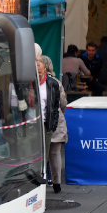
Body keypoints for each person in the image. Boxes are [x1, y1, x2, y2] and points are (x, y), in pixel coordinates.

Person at [41, 56, 68, 193]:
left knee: (41, 154)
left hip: (42, 121)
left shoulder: (35, 82)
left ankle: (41, 181)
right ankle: (56, 183)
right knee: (55, 153)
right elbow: (63, 103)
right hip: (56, 119)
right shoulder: (56, 82)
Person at [38, 57, 62, 179]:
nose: (38, 75)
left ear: (45, 69)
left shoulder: (53, 84)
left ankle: (42, 178)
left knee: (45, 155)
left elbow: (56, 105)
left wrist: (53, 125)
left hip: (45, 123)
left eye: (40, 73)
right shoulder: (27, 84)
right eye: (36, 73)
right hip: (32, 124)